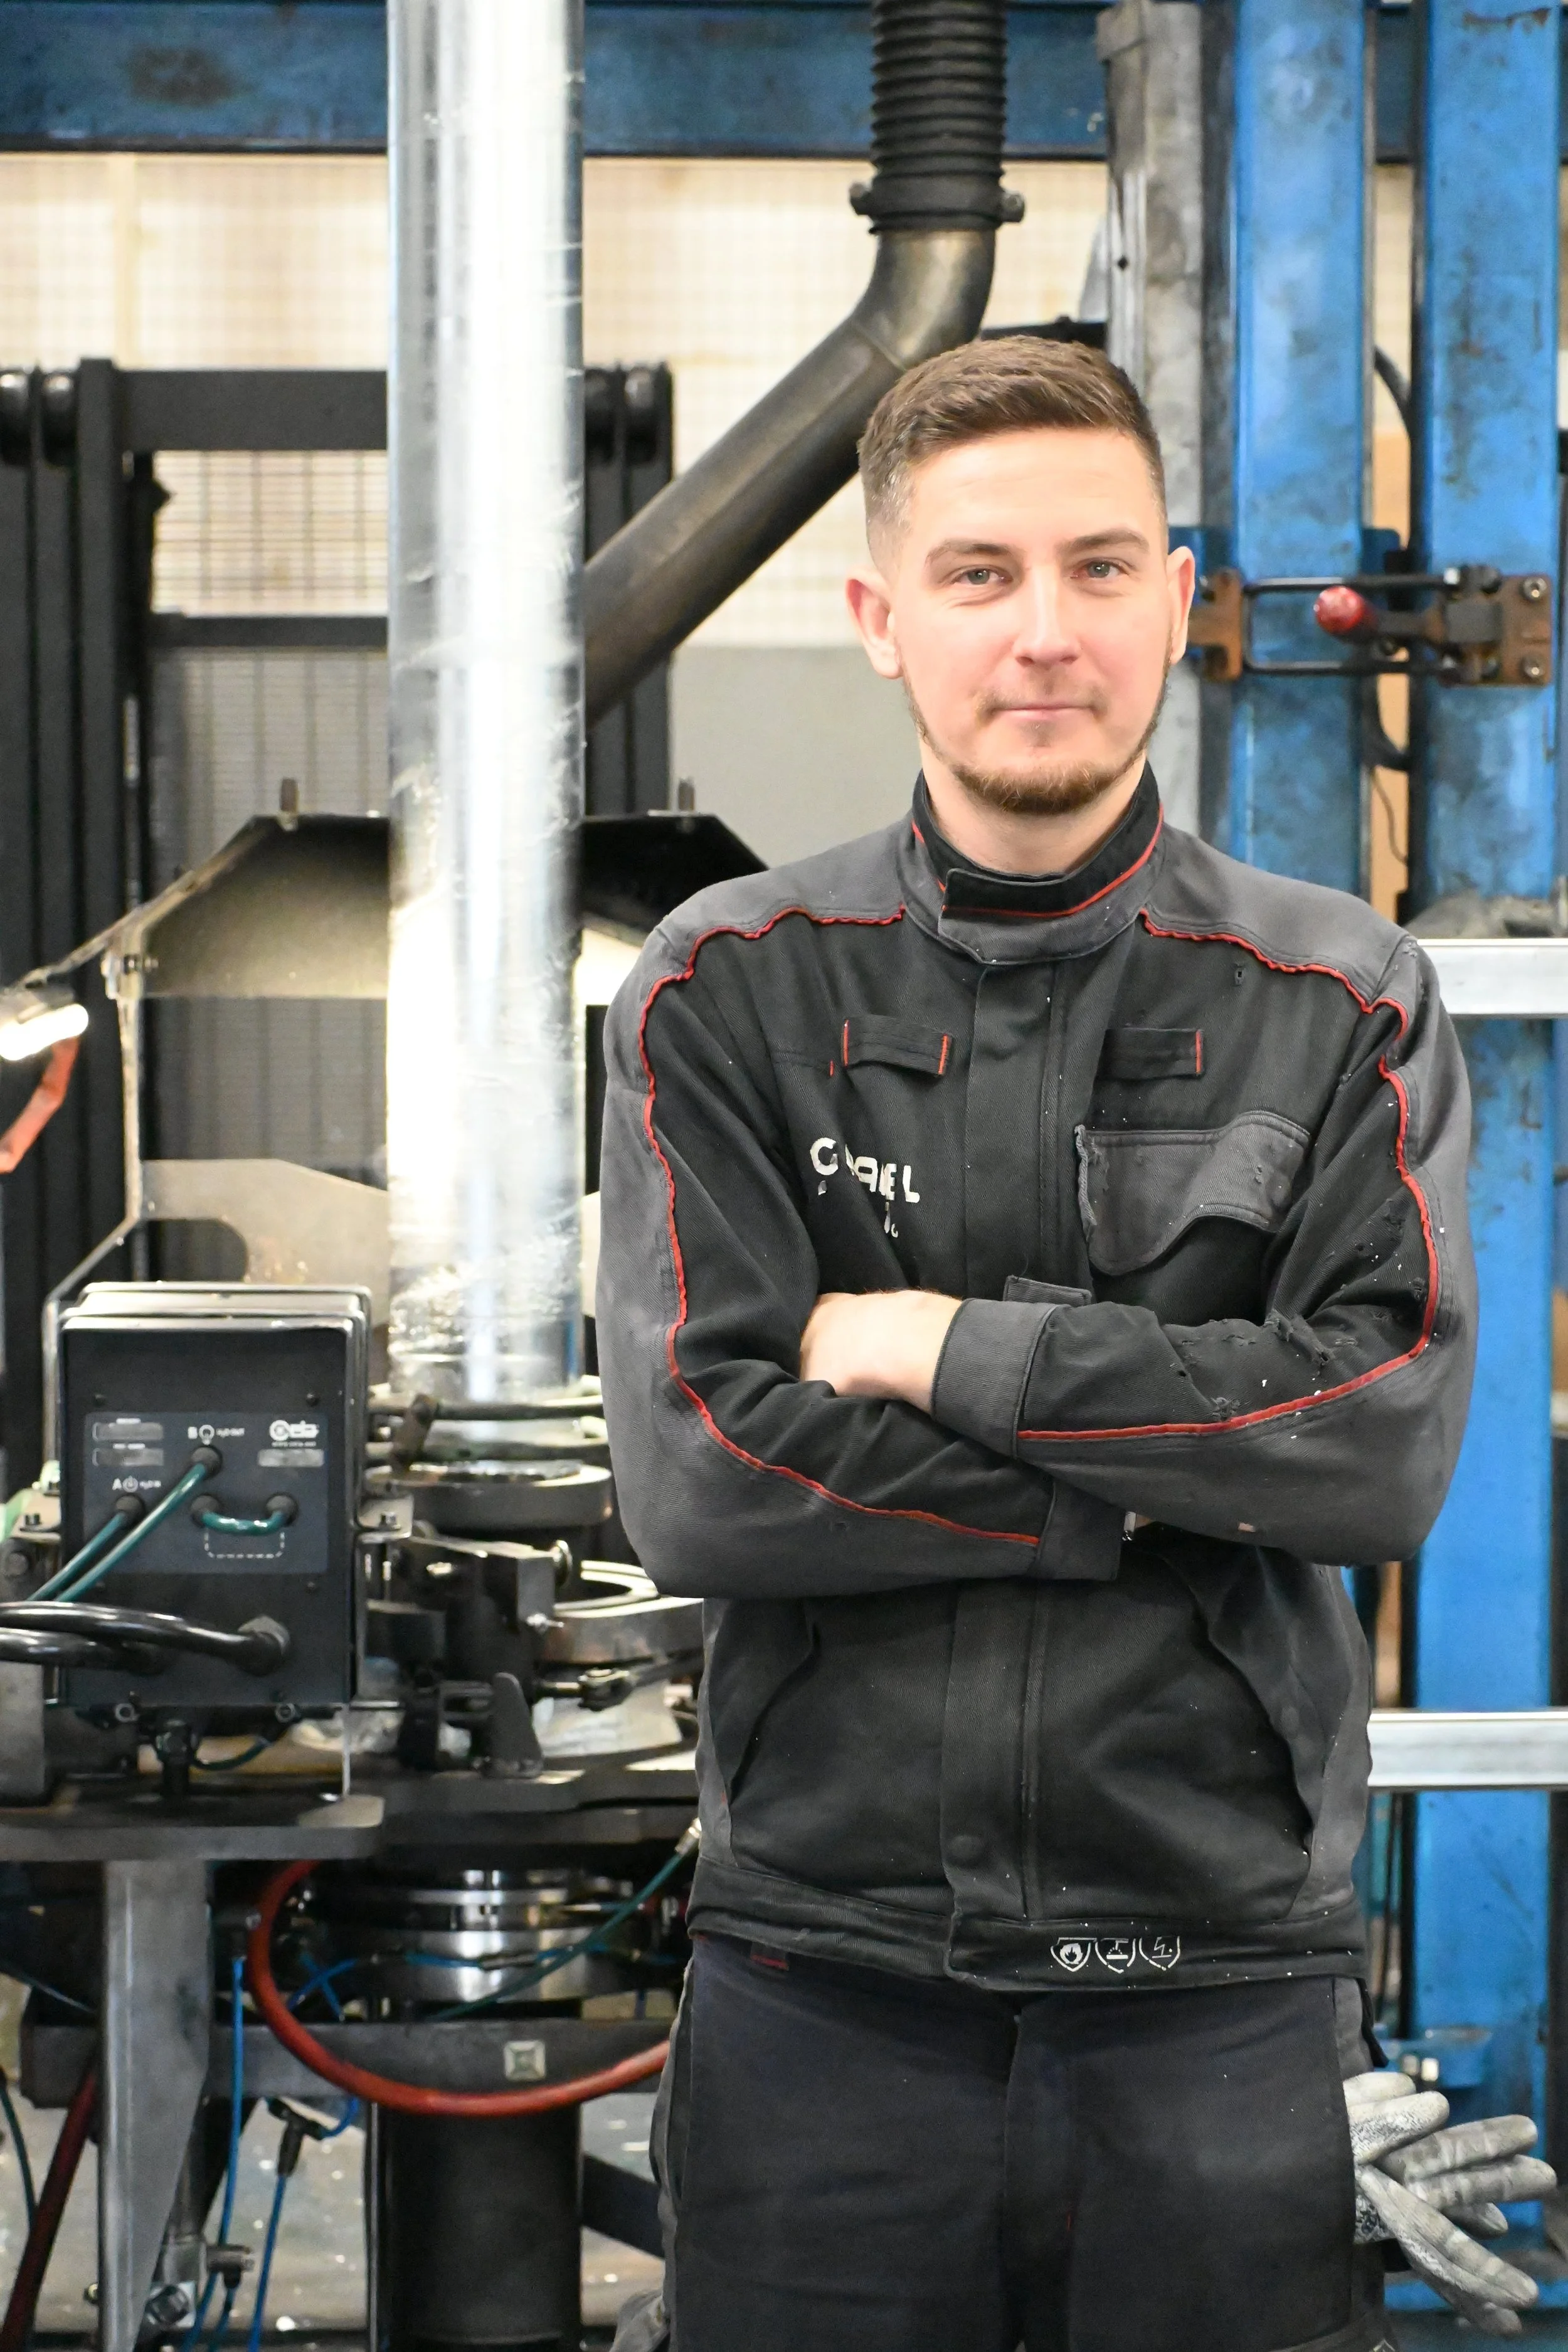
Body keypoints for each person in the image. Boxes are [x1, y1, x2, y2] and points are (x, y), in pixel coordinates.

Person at [597, 338, 1490, 2351]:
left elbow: (1371, 1452)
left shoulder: (1333, 997)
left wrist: (936, 1345)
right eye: (980, 574)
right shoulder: (726, 991)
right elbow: (703, 1477)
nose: (1044, 634)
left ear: (1173, 599)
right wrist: (1160, 1491)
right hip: (824, 1993)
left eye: (1098, 569)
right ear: (879, 618)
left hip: (1212, 1997)